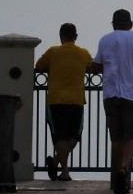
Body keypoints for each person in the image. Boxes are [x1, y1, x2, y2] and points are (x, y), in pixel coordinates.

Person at [92, 9, 133, 194]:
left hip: (111, 93)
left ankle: (116, 178)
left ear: (113, 24)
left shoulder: (105, 39)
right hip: (132, 95)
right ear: (130, 24)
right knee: (132, 136)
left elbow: (96, 67)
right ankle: (123, 168)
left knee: (116, 137)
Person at [34, 23, 92, 182]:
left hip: (56, 100)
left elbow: (39, 66)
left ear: (61, 36)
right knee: (75, 136)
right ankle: (61, 167)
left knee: (60, 136)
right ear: (76, 36)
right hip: (76, 100)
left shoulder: (53, 52)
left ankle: (59, 165)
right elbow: (93, 68)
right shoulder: (83, 53)